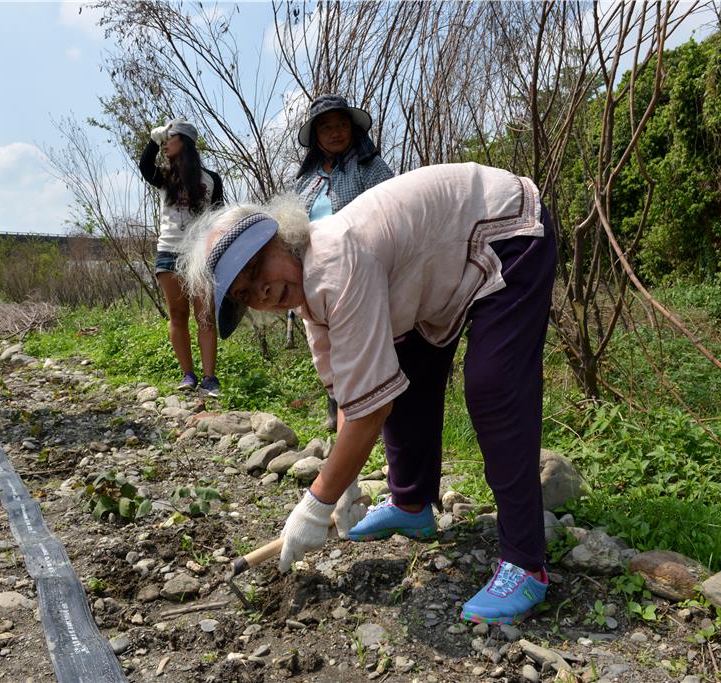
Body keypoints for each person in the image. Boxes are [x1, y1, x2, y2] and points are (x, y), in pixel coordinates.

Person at [181, 163, 556, 625]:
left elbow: (371, 409)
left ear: (280, 238)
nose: (262, 290)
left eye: (258, 267)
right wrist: (346, 488)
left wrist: (315, 505)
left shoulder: (334, 259)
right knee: (400, 369)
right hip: (434, 268)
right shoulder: (308, 300)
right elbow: (349, 393)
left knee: (493, 388)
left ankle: (525, 563)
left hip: (506, 230)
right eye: (245, 293)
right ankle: (412, 504)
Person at [291, 94, 394, 431]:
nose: (334, 133)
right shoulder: (305, 182)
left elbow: (391, 212)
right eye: (326, 127)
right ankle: (339, 410)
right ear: (316, 137)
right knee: (327, 347)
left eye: (340, 125)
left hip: (362, 271)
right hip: (317, 280)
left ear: (351, 129)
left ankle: (376, 411)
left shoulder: (371, 168)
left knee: (365, 343)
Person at [139, 118, 224, 396]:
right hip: (169, 253)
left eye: (170, 138)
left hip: (199, 255)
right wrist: (153, 141)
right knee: (178, 315)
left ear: (184, 142)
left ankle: (210, 379)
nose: (165, 144)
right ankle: (188, 375)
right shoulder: (165, 177)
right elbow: (144, 167)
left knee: (205, 317)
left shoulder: (212, 180)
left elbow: (220, 219)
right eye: (163, 140)